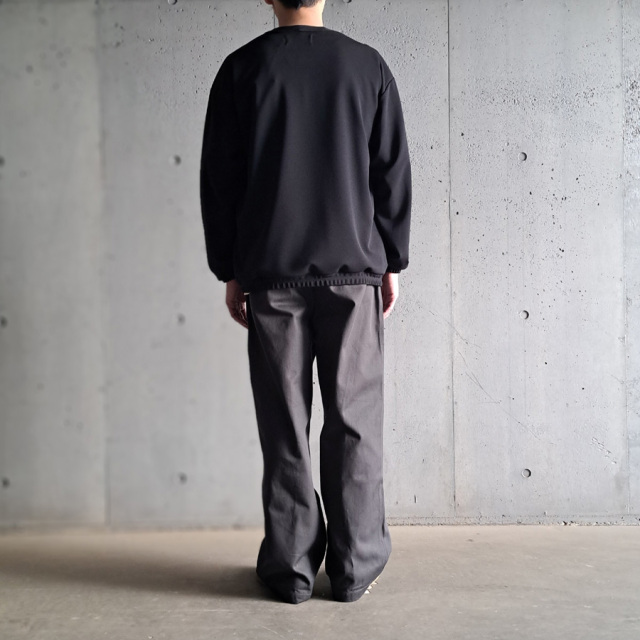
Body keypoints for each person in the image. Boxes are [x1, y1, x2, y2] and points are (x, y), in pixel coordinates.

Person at [200, 0, 411, 604]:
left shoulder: (241, 70)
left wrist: (230, 269)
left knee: (284, 424)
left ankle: (291, 569)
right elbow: (390, 173)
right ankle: (355, 567)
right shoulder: (367, 67)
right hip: (353, 273)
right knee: (355, 422)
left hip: (271, 273)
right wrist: (392, 260)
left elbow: (221, 181)